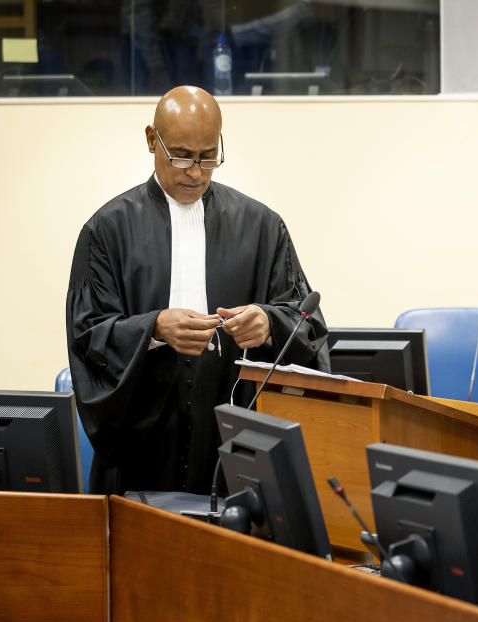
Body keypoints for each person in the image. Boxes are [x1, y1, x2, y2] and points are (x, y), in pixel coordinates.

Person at [66, 85, 329, 496]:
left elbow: (308, 323)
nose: (195, 171)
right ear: (152, 139)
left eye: (209, 156)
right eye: (183, 155)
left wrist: (269, 323)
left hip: (235, 438)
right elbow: (88, 336)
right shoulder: (107, 231)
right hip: (144, 443)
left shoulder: (262, 226)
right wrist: (153, 328)